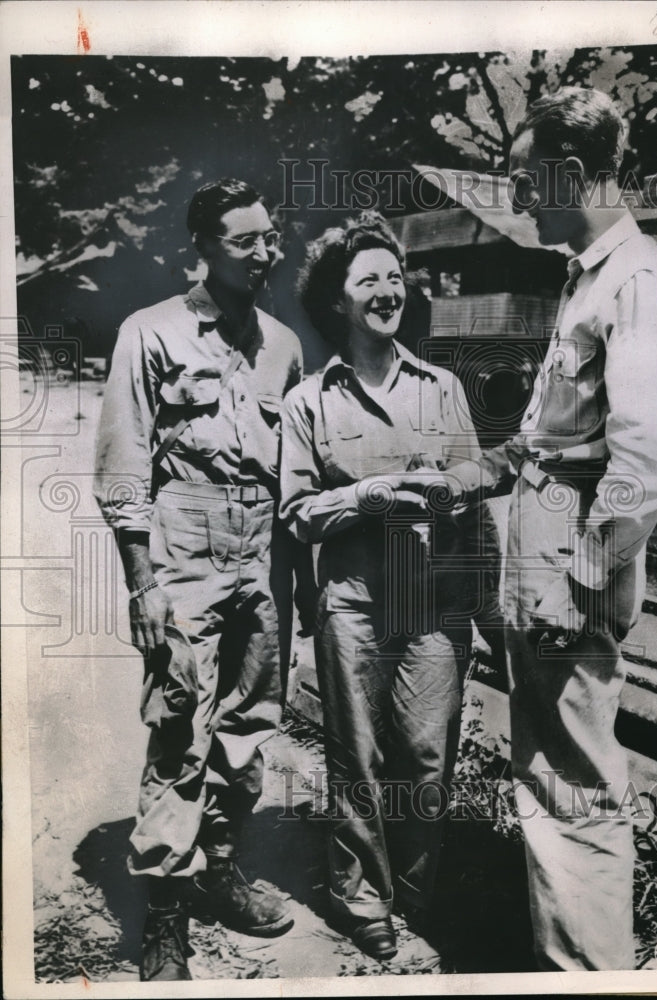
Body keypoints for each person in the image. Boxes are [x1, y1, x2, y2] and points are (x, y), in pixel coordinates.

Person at [395, 87, 657, 970]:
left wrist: (580, 581)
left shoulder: (640, 281)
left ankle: (591, 975)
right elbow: (551, 434)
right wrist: (471, 473)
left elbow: (641, 468)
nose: (519, 200)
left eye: (526, 181)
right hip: (545, 549)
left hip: (571, 566)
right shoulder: (588, 277)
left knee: (574, 788)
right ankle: (565, 958)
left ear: (568, 172)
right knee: (548, 775)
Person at [94, 178, 310, 981]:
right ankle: (162, 913)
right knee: (181, 720)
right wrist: (144, 587)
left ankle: (220, 865)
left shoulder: (283, 345)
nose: (266, 252)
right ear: (204, 247)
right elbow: (123, 471)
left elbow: (297, 468)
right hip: (186, 536)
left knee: (251, 721)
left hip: (265, 546)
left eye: (270, 237)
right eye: (246, 240)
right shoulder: (150, 333)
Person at [279, 213, 501, 961]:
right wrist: (365, 497)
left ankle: (414, 893)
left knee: (428, 755)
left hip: (433, 597)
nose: (386, 291)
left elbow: (476, 485)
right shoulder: (310, 400)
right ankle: (361, 896)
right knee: (358, 755)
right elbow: (297, 513)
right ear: (337, 300)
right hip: (355, 597)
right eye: (367, 279)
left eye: (395, 278)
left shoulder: (442, 388)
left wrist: (457, 492)